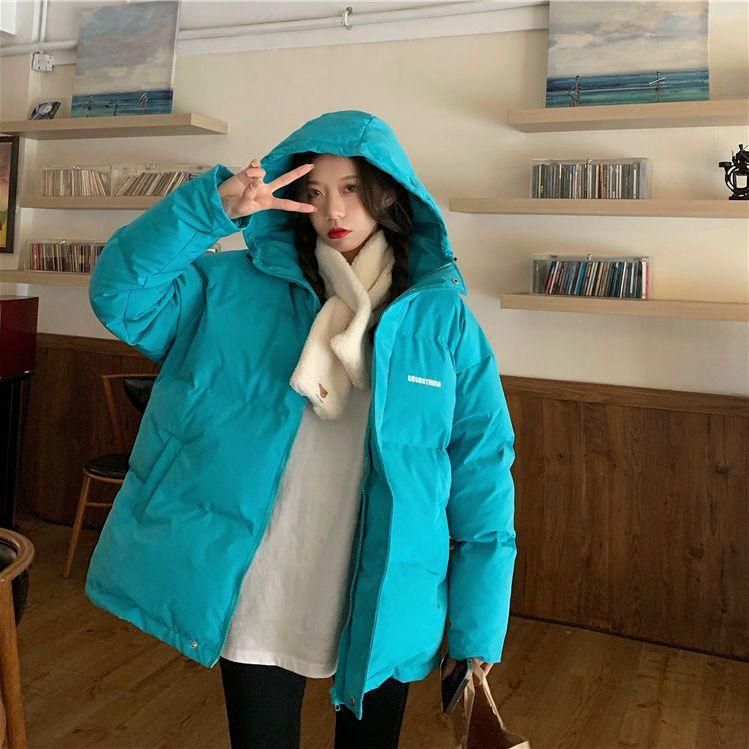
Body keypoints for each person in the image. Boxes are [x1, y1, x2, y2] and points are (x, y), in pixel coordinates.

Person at [84, 110, 517, 749]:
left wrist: (477, 626)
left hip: (388, 590)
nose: (331, 211)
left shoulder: (442, 321)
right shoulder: (232, 288)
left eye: (351, 189)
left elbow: (482, 468)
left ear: (389, 193)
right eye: (314, 192)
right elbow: (121, 295)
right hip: (261, 578)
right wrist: (212, 209)